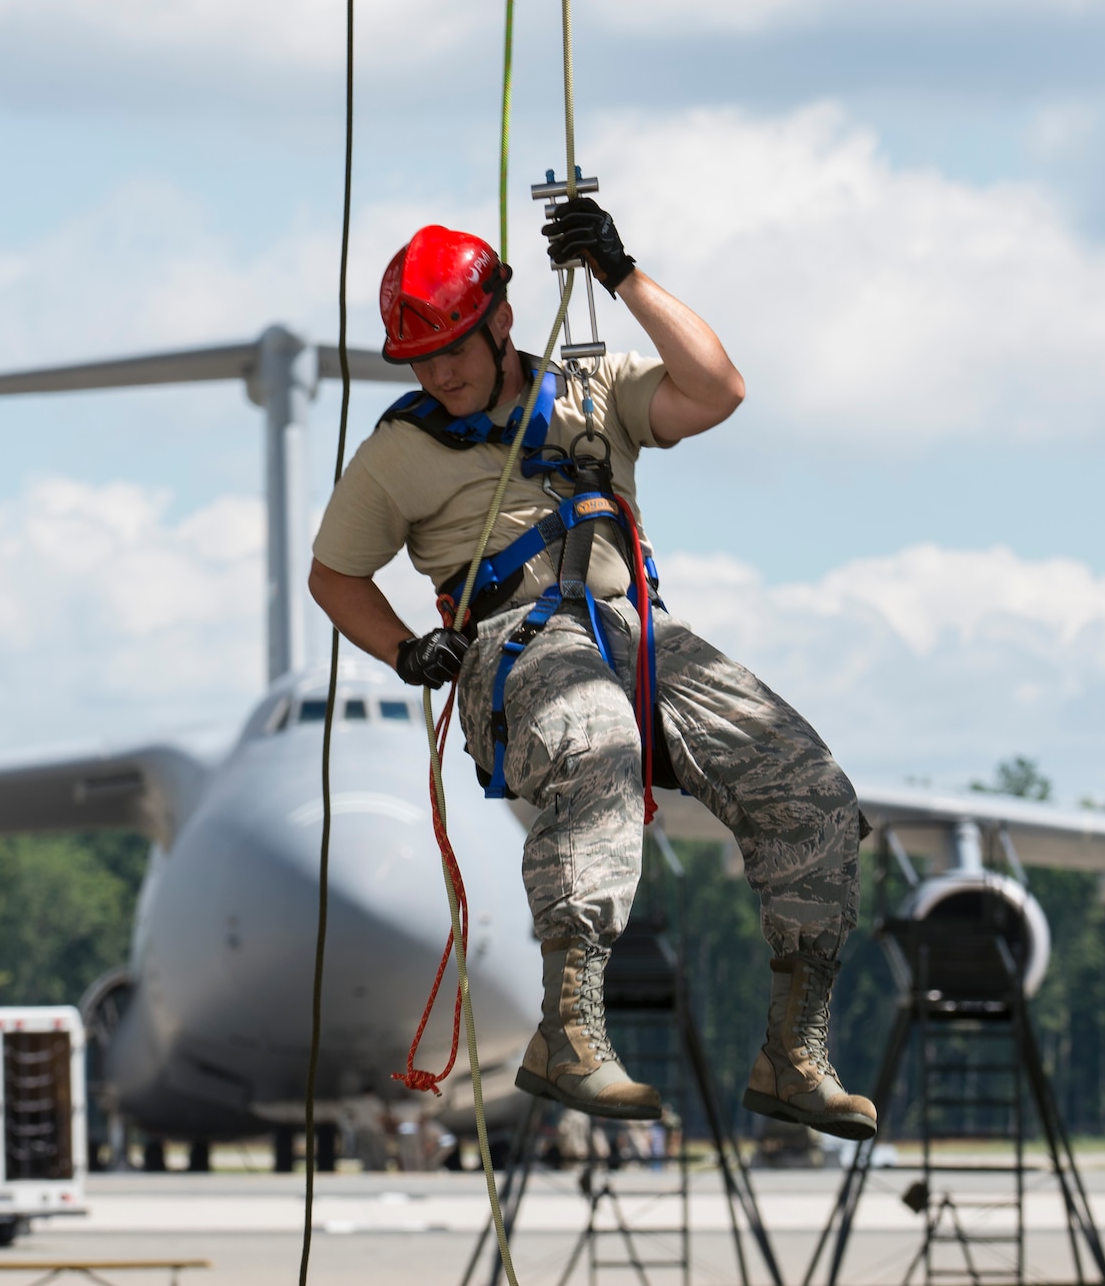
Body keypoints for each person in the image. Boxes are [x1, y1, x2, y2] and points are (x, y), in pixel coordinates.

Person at [307, 199, 876, 1139]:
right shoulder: (397, 454)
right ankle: (568, 1035)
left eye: (454, 346)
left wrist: (622, 275)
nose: (440, 373)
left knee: (808, 786)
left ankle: (794, 1054)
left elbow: (718, 390)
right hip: (516, 647)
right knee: (597, 739)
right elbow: (336, 576)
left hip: (635, 631)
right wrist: (410, 648)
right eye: (420, 359)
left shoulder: (588, 388)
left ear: (502, 323)